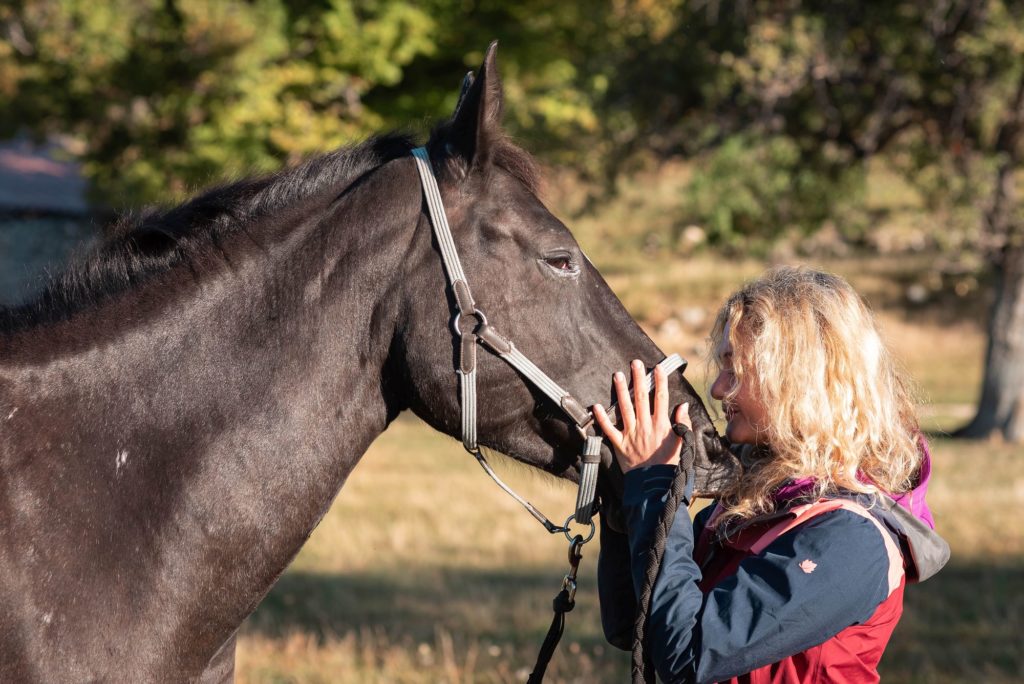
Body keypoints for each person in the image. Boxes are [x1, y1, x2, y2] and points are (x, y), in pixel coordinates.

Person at [592, 266, 949, 683]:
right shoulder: (751, 505)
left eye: (736, 369)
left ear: (799, 380)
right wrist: (625, 490)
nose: (718, 390)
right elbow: (633, 626)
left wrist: (655, 484)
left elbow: (686, 657)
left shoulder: (851, 537)